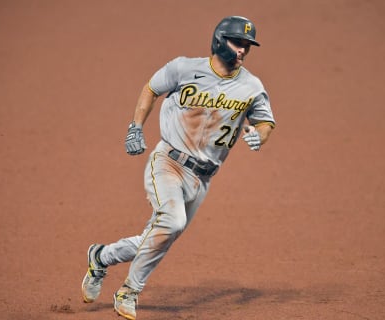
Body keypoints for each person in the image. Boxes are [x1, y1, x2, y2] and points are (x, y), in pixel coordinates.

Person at [81, 15, 276, 320]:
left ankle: (101, 256)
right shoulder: (184, 68)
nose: (243, 51)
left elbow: (265, 122)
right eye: (238, 43)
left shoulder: (251, 86)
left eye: (247, 46)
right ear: (219, 40)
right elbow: (151, 88)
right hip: (169, 162)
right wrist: (135, 127)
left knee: (159, 234)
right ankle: (129, 291)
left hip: (203, 178)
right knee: (171, 224)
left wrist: (258, 136)